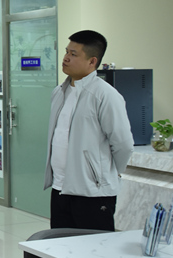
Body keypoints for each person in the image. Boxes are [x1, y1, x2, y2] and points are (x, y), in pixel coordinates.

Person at [44, 30, 134, 231]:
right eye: (66, 52)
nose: (66, 58)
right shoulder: (59, 92)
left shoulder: (105, 95)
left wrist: (106, 174)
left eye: (73, 54)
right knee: (60, 247)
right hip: (60, 189)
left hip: (93, 193)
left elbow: (123, 144)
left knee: (94, 248)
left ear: (92, 61)